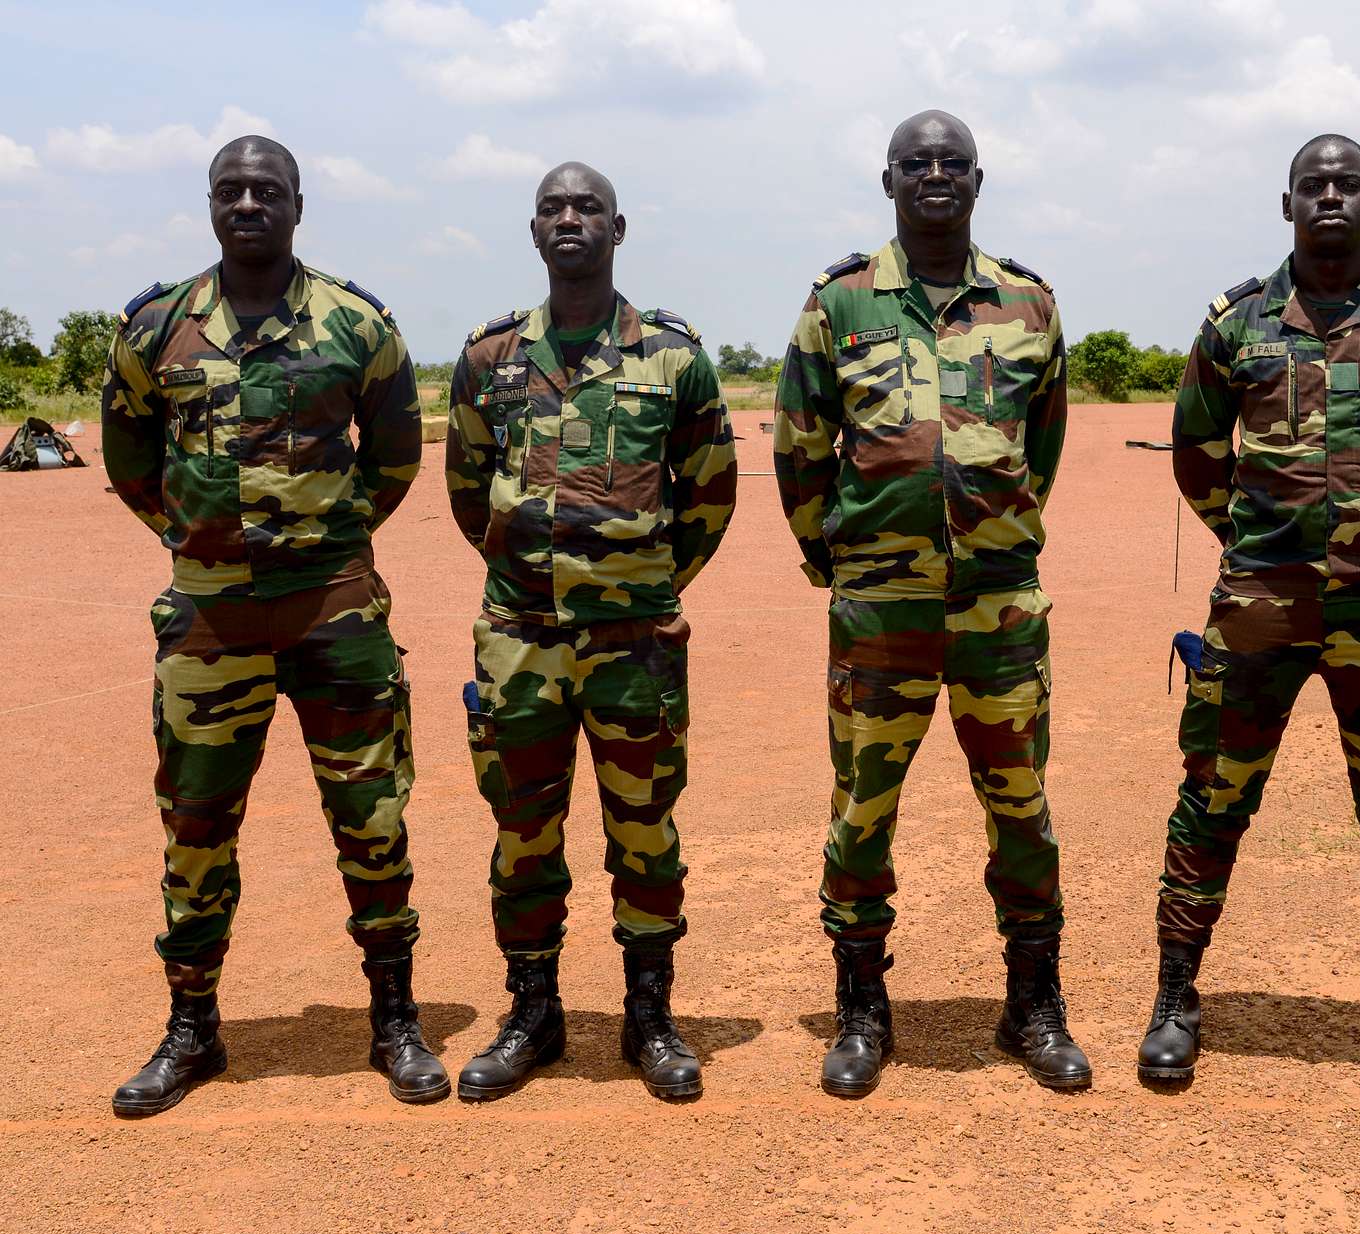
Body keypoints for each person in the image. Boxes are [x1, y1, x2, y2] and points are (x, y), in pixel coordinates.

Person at [1139, 134, 1360, 1096]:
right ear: (1285, 202)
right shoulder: (1238, 323)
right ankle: (1176, 996)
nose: (1329, 196)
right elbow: (1196, 452)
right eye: (1312, 185)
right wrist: (1255, 545)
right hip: (1259, 606)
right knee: (1213, 794)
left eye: (1346, 184)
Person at [103, 136, 445, 1115]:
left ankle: (394, 1016)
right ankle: (191, 1026)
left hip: (336, 613)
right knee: (197, 823)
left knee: (371, 815)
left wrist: (322, 541)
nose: (248, 201)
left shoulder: (355, 323)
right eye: (231, 190)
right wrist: (196, 537)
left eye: (267, 189)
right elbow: (132, 460)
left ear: (299, 203)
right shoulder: (155, 326)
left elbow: (392, 457)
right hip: (210, 620)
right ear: (210, 205)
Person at [773, 110, 1088, 1098]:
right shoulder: (841, 304)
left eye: (952, 163)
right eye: (918, 163)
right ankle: (862, 1006)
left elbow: (1041, 445)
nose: (935, 175)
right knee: (862, 813)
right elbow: (797, 447)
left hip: (997, 606)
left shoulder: (1029, 306)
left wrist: (991, 532)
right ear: (889, 181)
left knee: (1022, 810)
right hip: (880, 609)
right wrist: (848, 558)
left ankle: (1032, 1001)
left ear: (978, 180)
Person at [447, 162, 737, 1102]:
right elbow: (466, 490)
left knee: (645, 830)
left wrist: (642, 581)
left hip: (637, 644)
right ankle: (533, 1014)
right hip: (519, 638)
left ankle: (650, 1017)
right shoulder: (490, 358)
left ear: (620, 228)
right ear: (533, 231)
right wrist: (529, 569)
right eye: (552, 209)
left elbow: (711, 493)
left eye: (588, 208)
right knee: (522, 831)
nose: (569, 219)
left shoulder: (672, 357)